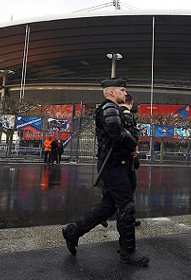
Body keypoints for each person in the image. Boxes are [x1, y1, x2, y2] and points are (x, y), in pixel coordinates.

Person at [62, 78, 149, 267]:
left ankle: (73, 231)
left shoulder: (116, 110)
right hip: (113, 165)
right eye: (122, 89)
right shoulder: (109, 109)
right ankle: (128, 252)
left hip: (119, 163)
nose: (125, 93)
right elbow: (117, 135)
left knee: (108, 207)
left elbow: (126, 132)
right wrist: (133, 143)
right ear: (111, 92)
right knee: (126, 206)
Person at [121, 93, 141, 227]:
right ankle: (128, 219)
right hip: (127, 158)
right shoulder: (127, 115)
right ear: (131, 103)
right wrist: (135, 154)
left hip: (117, 158)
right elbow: (131, 137)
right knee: (129, 188)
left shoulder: (115, 113)